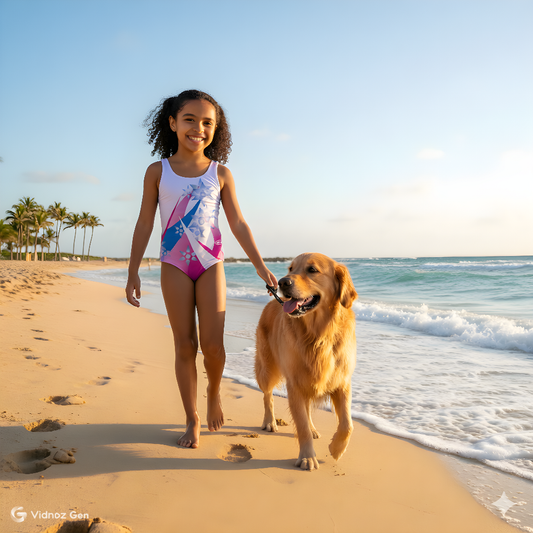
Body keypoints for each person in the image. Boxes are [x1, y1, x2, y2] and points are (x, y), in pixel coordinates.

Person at [125, 90, 278, 449]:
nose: (198, 128)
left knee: (212, 345)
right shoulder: (157, 172)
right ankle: (192, 418)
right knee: (184, 345)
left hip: (211, 264)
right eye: (190, 119)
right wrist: (133, 271)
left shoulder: (220, 173)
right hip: (174, 264)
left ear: (216, 129)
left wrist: (260, 266)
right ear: (173, 123)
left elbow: (238, 223)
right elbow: (145, 222)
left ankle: (213, 391)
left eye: (207, 122)